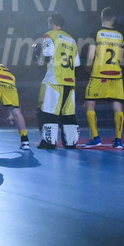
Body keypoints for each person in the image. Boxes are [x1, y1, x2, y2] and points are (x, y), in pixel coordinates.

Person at [82, 7, 124, 148]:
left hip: (99, 73)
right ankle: (118, 140)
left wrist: (88, 66)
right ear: (114, 18)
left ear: (102, 17)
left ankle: (95, 137)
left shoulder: (96, 32)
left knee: (89, 105)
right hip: (116, 73)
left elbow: (91, 55)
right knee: (117, 106)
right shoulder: (120, 35)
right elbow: (121, 57)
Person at [36, 13, 81, 149]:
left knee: (48, 111)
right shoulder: (72, 39)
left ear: (51, 23)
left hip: (53, 80)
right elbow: (77, 63)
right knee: (69, 114)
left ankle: (48, 142)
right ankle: (71, 142)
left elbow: (46, 55)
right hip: (70, 81)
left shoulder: (50, 35)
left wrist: (38, 57)